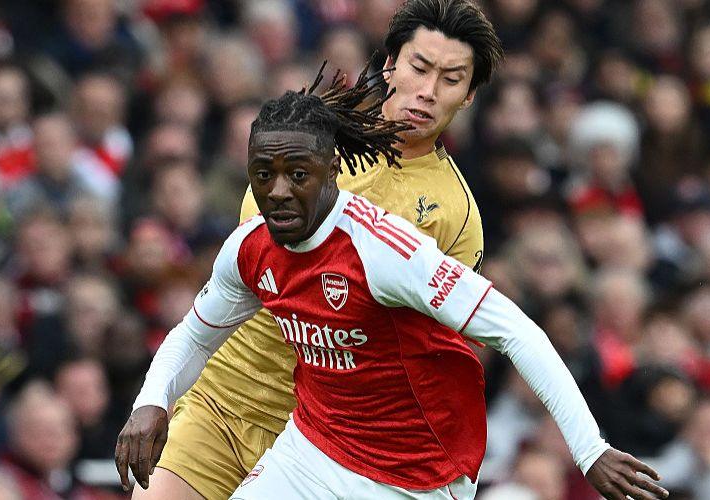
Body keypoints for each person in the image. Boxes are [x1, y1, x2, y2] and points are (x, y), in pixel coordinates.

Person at [116, 67, 668, 500]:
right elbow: (193, 335)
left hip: (417, 467)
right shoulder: (250, 246)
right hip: (316, 445)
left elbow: (519, 333)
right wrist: (151, 402)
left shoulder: (386, 252)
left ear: (332, 169)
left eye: (298, 175)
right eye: (264, 175)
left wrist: (590, 451)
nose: (279, 192)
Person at [134, 1, 502, 498]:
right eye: (419, 68)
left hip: (324, 444)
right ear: (389, 64)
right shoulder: (306, 142)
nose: (428, 92)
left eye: (451, 78)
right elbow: (250, 271)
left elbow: (435, 351)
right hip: (222, 400)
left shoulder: (456, 215)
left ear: (470, 95)